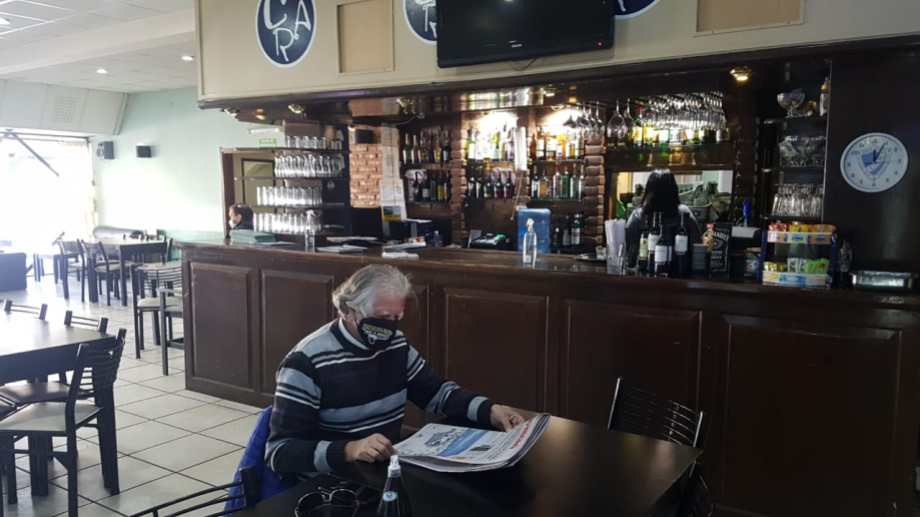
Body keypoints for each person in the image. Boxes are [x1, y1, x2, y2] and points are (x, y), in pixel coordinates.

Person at [266, 265, 525, 475]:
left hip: (382, 471)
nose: (387, 330)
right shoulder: (306, 362)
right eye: (379, 318)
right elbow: (280, 453)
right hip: (331, 482)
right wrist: (350, 449)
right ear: (347, 310)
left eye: (395, 319)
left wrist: (489, 410)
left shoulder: (396, 345)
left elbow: (436, 392)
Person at [625, 171, 702, 256]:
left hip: (644, 266)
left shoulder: (638, 216)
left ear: (648, 191)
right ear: (674, 191)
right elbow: (697, 248)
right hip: (680, 267)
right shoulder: (685, 215)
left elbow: (628, 250)